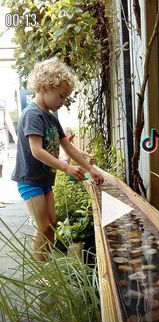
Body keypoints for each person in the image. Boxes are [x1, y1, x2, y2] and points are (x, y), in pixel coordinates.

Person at [11, 57, 104, 261]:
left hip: (44, 180)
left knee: (52, 222)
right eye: (61, 96)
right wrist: (66, 168)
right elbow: (36, 151)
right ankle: (41, 269)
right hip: (30, 179)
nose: (63, 102)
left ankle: (46, 264)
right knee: (43, 226)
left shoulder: (52, 118)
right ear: (45, 87)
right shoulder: (32, 115)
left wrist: (90, 168)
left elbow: (67, 146)